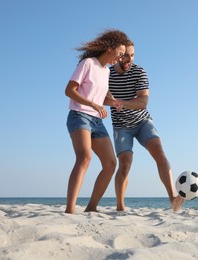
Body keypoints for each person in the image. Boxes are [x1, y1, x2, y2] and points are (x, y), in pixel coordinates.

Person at [108, 40, 184, 212]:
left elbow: (143, 102)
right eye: (125, 55)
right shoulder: (107, 74)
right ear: (118, 55)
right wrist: (110, 101)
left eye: (132, 55)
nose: (129, 59)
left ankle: (173, 198)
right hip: (121, 126)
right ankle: (120, 207)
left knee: (158, 150)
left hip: (142, 121)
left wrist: (120, 102)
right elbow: (100, 97)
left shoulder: (139, 71)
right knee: (125, 164)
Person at [64, 30, 129, 214]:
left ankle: (91, 207)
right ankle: (70, 209)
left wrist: (113, 102)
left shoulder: (106, 71)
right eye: (120, 53)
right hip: (79, 116)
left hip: (97, 121)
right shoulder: (87, 64)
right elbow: (69, 90)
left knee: (110, 164)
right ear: (109, 49)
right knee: (84, 157)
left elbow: (100, 99)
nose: (121, 58)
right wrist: (93, 104)